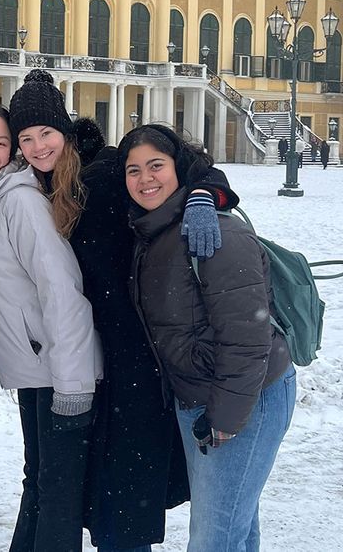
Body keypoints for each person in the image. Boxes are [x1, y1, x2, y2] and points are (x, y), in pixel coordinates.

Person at [5, 69, 239, 552]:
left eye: (46, 133)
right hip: (90, 355)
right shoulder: (34, 187)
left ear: (66, 132)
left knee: (125, 499)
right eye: (26, 138)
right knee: (93, 490)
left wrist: (201, 196)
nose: (38, 146)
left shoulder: (111, 170)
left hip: (136, 352)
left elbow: (190, 166)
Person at [122, 124, 295, 552]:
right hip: (202, 398)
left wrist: (225, 418)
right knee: (233, 525)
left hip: (244, 398)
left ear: (180, 168)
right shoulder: (153, 230)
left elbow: (246, 335)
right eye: (133, 170)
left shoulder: (213, 232)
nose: (145, 179)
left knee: (213, 538)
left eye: (156, 166)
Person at [0, 102, 101, 552]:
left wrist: (73, 385)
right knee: (40, 481)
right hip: (38, 369)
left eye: (1, 142)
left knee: (57, 495)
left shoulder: (19, 201)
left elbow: (62, 290)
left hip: (61, 371)